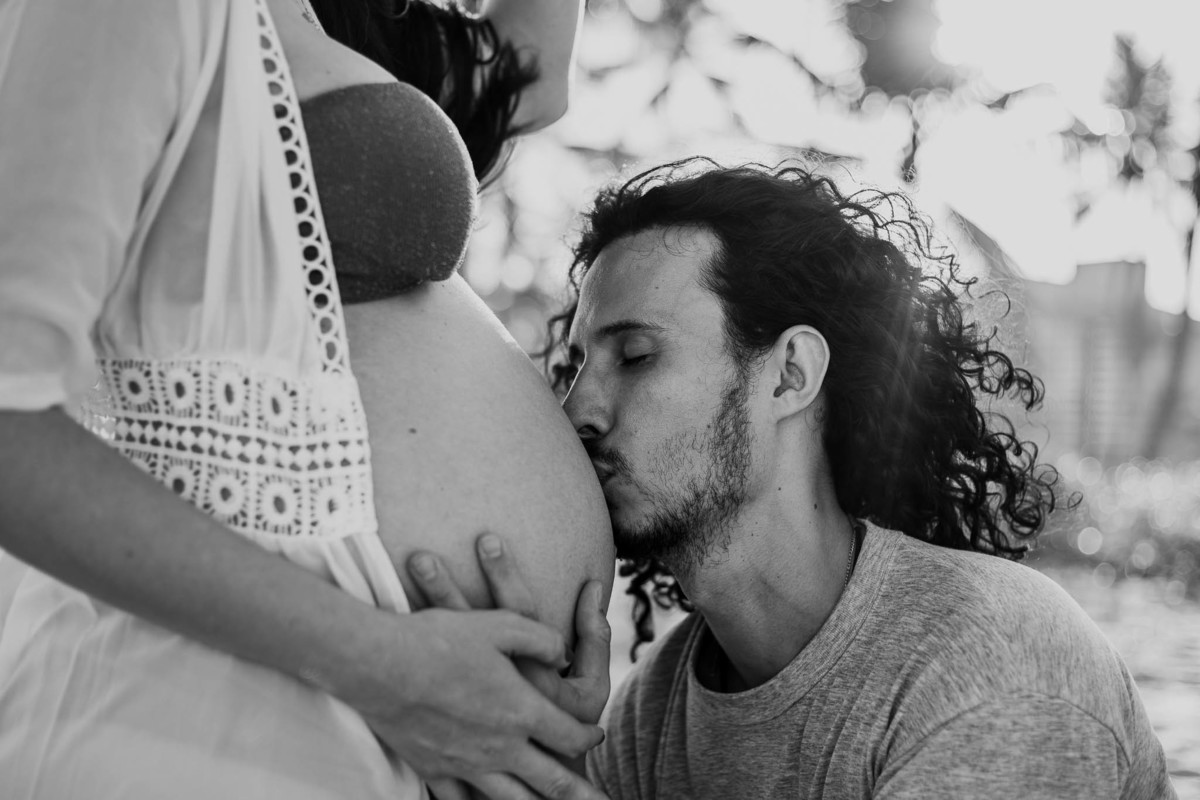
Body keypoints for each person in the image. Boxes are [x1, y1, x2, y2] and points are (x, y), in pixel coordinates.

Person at [408, 157, 1177, 798]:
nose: (577, 410)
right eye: (573, 369)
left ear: (790, 375)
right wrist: (551, 762)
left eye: (636, 356)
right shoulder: (651, 714)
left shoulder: (989, 665)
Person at [0, 0, 612, 798]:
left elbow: (527, 71)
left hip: (369, 728)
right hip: (206, 716)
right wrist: (384, 664)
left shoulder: (323, 18)